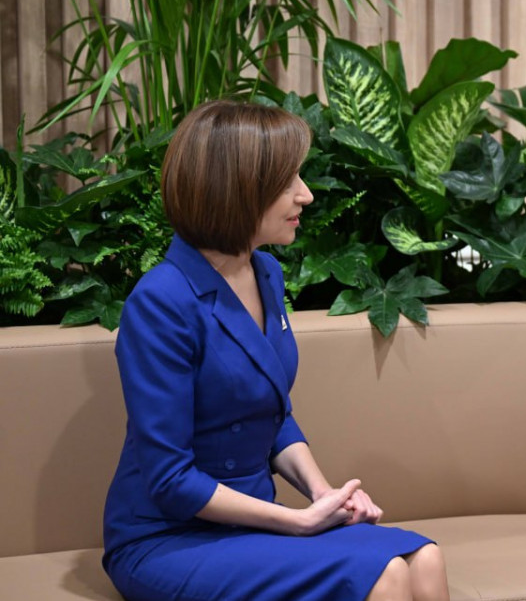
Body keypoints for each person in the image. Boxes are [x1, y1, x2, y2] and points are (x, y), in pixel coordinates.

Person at [102, 100, 449, 601]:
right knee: (386, 574)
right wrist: (298, 522)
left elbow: (273, 412)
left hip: (255, 524)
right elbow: (171, 479)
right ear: (236, 189)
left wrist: (324, 496)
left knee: (425, 557)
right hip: (168, 537)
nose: (306, 194)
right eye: (288, 182)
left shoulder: (265, 272)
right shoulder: (160, 301)